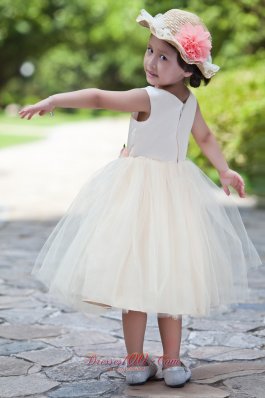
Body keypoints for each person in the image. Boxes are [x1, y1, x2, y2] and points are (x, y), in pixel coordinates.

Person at [19, 8, 262, 389]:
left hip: (139, 196)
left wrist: (54, 99)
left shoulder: (148, 98)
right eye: (150, 51)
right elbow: (207, 139)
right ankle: (173, 362)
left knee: (135, 281)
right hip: (177, 198)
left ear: (187, 69)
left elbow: (99, 97)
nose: (151, 61)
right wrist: (223, 169)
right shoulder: (188, 101)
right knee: (173, 279)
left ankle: (136, 362)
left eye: (163, 57)